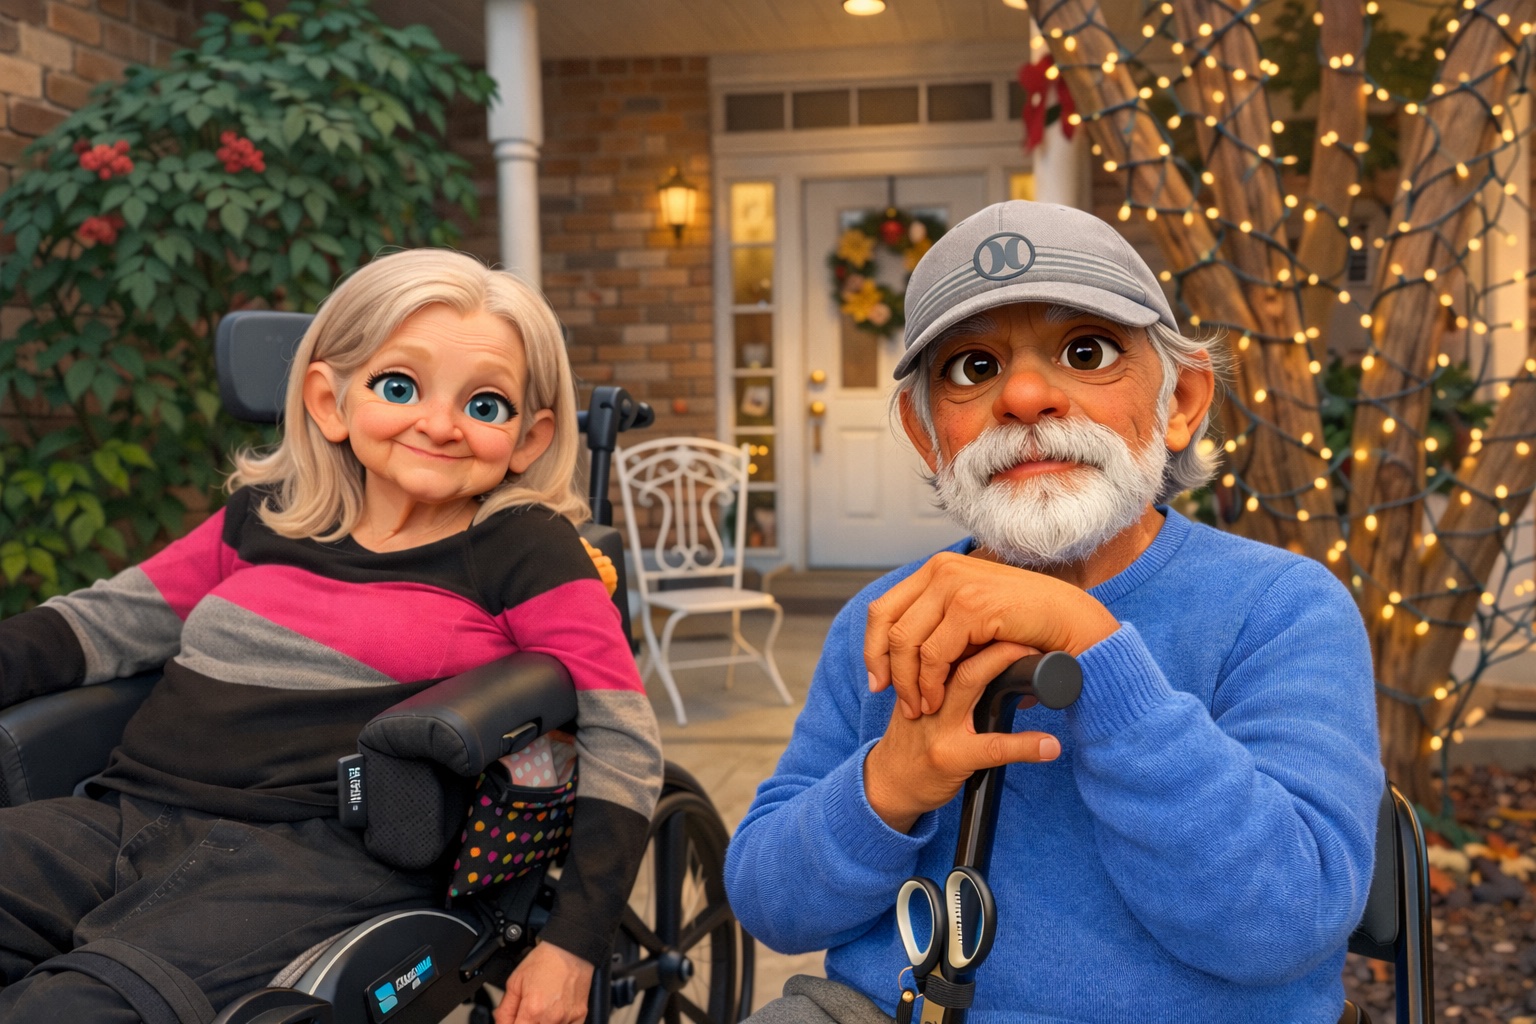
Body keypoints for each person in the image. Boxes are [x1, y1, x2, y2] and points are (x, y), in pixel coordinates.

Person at [726, 201, 1382, 1023]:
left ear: (1179, 402)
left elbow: (1286, 922)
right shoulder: (888, 617)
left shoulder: (1281, 608)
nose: (1027, 395)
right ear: (928, 435)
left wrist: (1090, 645)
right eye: (972, 368)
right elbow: (770, 903)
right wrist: (891, 780)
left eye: (1087, 351)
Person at [0, 248, 663, 1024]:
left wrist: (574, 944)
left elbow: (625, 736)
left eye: (486, 406)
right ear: (329, 399)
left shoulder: (524, 547)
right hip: (123, 810)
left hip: (317, 856)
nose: (441, 424)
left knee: (70, 1010)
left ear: (528, 436)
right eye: (399, 387)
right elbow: (105, 622)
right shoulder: (269, 514)